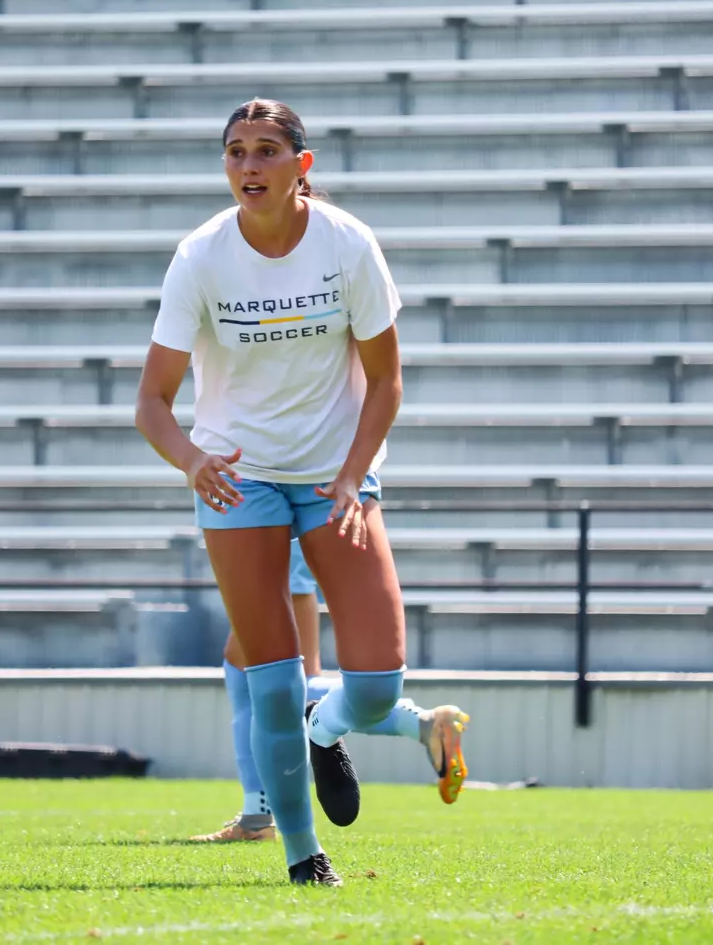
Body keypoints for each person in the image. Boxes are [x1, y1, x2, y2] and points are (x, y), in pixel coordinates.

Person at [136, 97, 464, 887]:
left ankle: (328, 728)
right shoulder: (200, 255)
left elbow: (386, 382)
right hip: (238, 483)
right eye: (235, 152)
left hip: (333, 479)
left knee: (378, 678)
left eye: (265, 152)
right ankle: (300, 854)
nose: (248, 166)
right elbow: (151, 402)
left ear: (300, 166)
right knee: (269, 679)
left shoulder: (348, 245)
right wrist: (191, 460)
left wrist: (354, 475)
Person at [190, 539, 470, 844]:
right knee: (294, 682)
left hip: (275, 532)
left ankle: (258, 816)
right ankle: (420, 723)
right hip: (294, 548)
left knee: (252, 679)